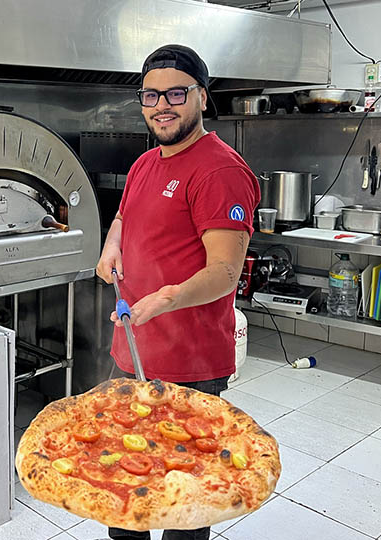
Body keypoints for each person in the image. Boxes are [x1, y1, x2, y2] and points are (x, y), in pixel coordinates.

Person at [95, 45, 260, 540]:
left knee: (181, 503)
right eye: (150, 95)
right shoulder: (146, 162)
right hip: (131, 349)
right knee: (124, 495)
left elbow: (225, 272)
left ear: (202, 98)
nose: (161, 105)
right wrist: (111, 247)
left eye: (176, 93)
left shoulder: (220, 171)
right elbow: (125, 216)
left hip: (189, 363)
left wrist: (164, 298)